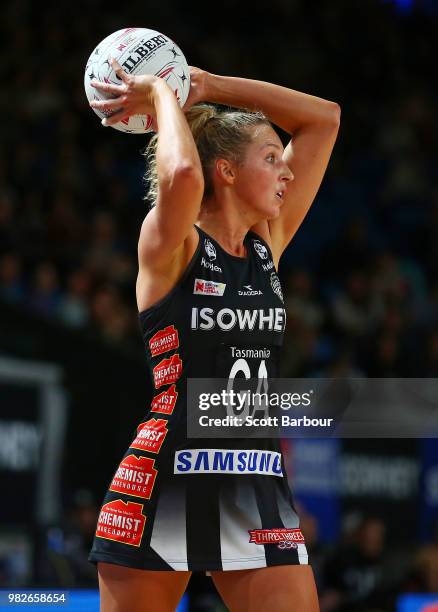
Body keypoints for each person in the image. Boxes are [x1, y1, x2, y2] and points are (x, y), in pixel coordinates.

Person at [87, 56, 340, 612]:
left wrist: (211, 85)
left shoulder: (265, 246)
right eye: (271, 159)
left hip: (255, 483)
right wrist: (162, 95)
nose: (287, 173)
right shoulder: (171, 245)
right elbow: (180, 177)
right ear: (225, 171)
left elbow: (325, 119)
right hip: (165, 476)